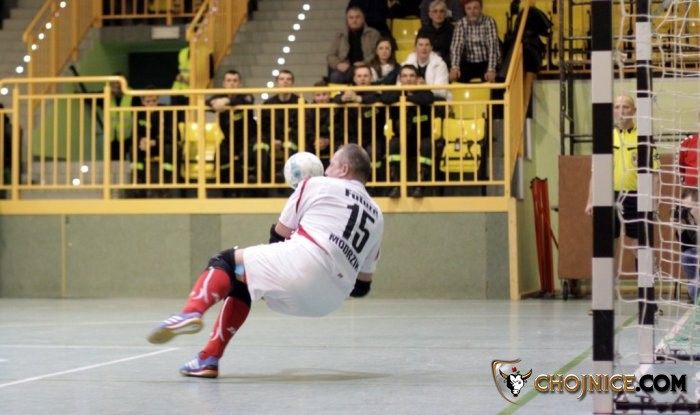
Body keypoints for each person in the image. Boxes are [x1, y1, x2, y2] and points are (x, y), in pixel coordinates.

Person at [146, 143, 384, 378]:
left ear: (343, 169)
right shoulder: (377, 216)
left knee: (227, 261)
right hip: (329, 302)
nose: (326, 170)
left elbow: (277, 238)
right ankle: (207, 359)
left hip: (303, 265)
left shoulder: (315, 184)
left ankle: (191, 312)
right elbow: (361, 287)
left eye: (331, 164)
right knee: (243, 281)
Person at [584, 95, 660, 245]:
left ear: (634, 111)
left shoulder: (644, 137)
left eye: (625, 107)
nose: (621, 111)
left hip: (637, 196)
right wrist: (590, 200)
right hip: (610, 196)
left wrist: (655, 201)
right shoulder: (605, 137)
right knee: (608, 244)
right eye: (617, 107)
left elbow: (654, 174)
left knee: (640, 245)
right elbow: (596, 173)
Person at [381, 64, 435, 198]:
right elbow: (385, 98)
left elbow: (429, 98)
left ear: (418, 79)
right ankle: (395, 185)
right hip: (402, 141)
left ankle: (421, 185)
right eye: (404, 76)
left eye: (412, 76)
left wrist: (406, 98)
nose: (408, 79)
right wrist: (404, 94)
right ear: (400, 79)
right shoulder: (396, 92)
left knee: (427, 144)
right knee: (393, 143)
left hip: (421, 139)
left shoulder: (424, 93)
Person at [333, 64, 386, 185]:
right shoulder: (348, 91)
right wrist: (343, 98)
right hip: (351, 137)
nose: (362, 79)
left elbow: (381, 97)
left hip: (373, 137)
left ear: (371, 78)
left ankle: (373, 184)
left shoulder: (377, 91)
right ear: (354, 79)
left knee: (373, 152)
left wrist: (359, 99)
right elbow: (335, 99)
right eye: (359, 76)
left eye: (366, 76)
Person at [206, 69, 257, 196]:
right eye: (228, 81)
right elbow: (206, 102)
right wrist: (213, 103)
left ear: (240, 84)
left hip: (248, 139)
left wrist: (227, 101)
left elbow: (247, 100)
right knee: (221, 155)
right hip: (229, 140)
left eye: (235, 81)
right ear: (224, 84)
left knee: (247, 156)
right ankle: (226, 192)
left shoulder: (246, 95)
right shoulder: (219, 97)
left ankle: (248, 191)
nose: (232, 83)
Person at [254, 69, 302, 187]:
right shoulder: (268, 104)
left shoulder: (300, 102)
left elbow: (301, 127)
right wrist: (272, 140)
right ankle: (261, 177)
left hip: (293, 139)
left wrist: (285, 139)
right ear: (277, 82)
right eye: (281, 79)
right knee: (260, 146)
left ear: (292, 83)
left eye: (288, 79)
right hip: (271, 140)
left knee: (290, 145)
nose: (285, 82)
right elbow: (263, 127)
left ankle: (283, 174)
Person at [129, 88, 177, 198]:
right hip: (145, 146)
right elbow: (135, 134)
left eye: (154, 101)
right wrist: (140, 141)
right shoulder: (138, 113)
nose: (151, 104)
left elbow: (171, 135)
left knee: (169, 149)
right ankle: (139, 185)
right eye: (148, 101)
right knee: (133, 149)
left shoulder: (167, 112)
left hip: (161, 145)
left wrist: (154, 142)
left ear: (158, 100)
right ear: (142, 102)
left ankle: (165, 185)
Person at [448, 0, 501, 83]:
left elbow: (493, 47)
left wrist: (491, 69)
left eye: (475, 8)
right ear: (465, 10)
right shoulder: (460, 23)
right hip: (468, 62)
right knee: (453, 76)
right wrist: (455, 67)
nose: (472, 12)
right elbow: (456, 47)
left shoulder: (489, 22)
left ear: (481, 9)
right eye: (469, 8)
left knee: (495, 78)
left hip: (486, 62)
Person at [327, 6, 382, 84]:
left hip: (367, 67)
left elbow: (378, 54)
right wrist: (338, 64)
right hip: (347, 69)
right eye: (351, 18)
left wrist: (365, 63)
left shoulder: (374, 34)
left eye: (357, 17)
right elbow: (330, 56)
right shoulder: (340, 35)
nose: (354, 20)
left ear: (363, 19)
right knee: (336, 77)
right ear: (347, 20)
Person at [400, 34, 450, 100]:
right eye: (420, 45)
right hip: (412, 101)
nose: (424, 48)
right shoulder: (405, 65)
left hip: (436, 102)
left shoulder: (440, 65)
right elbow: (399, 87)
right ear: (415, 48)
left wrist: (425, 86)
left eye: (427, 45)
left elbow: (442, 92)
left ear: (431, 48)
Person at [305, 80, 335, 170]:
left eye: (324, 94)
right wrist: (315, 140)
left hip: (333, 142)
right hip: (314, 144)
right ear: (313, 97)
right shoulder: (309, 110)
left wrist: (328, 140)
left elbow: (340, 129)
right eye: (318, 95)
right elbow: (308, 130)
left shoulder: (336, 108)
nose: (321, 98)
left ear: (330, 94)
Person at [417, 0, 454, 68]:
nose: (438, 14)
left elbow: (454, 53)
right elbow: (418, 50)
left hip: (446, 65)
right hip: (426, 64)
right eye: (435, 11)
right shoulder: (423, 30)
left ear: (445, 14)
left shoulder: (452, 30)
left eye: (441, 11)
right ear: (430, 14)